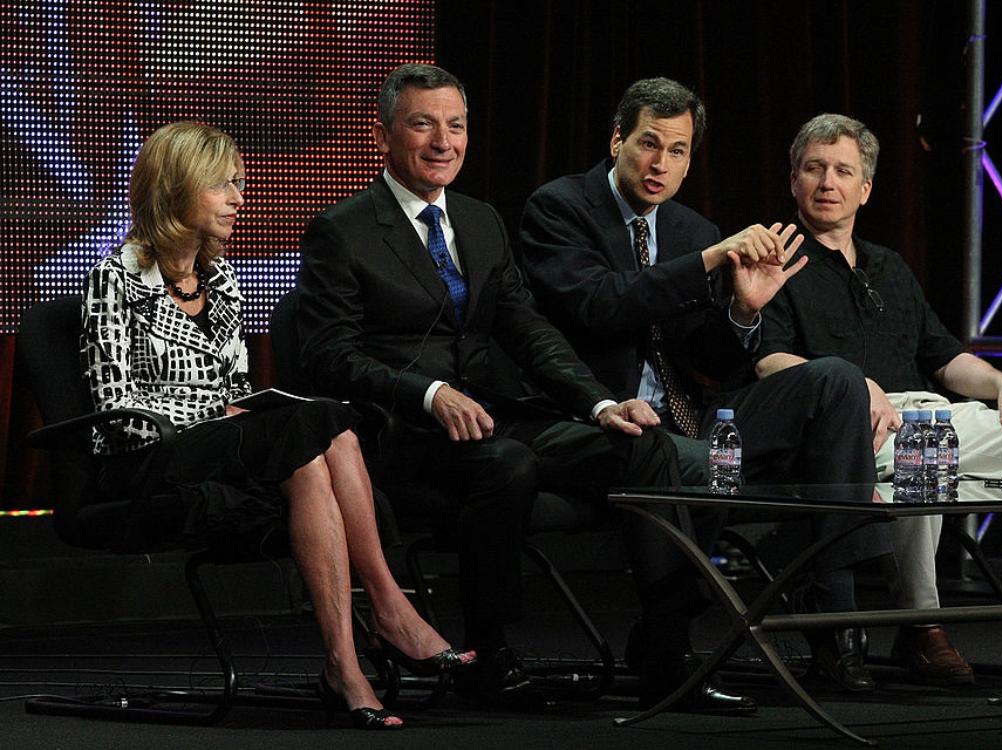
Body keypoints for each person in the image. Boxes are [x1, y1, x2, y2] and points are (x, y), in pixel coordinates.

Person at [294, 64, 718, 711]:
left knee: (643, 441)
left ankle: (666, 652)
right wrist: (429, 393)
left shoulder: (481, 220)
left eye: (456, 126)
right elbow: (328, 357)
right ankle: (489, 650)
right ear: (381, 136)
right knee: (507, 463)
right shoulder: (343, 229)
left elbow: (530, 332)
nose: (444, 141)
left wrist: (600, 403)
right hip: (404, 434)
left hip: (494, 416)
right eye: (423, 124)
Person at [81, 122, 476, 731]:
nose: (242, 196)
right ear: (177, 189)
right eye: (224, 185)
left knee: (317, 443)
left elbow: (236, 386)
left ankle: (344, 665)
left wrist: (243, 411)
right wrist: (220, 416)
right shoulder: (116, 278)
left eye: (239, 182)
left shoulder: (223, 279)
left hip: (231, 447)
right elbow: (117, 414)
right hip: (150, 459)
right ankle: (391, 608)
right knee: (319, 422)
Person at [519, 78, 891, 693]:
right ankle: (681, 638)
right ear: (617, 141)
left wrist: (744, 312)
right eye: (648, 144)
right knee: (708, 460)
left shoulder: (691, 228)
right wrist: (712, 262)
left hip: (695, 415)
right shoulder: (561, 208)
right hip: (600, 416)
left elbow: (710, 363)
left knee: (835, 381)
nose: (660, 164)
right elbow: (602, 305)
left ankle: (836, 615)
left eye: (679, 151)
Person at [757, 112, 1002, 689]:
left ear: (865, 190)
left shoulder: (888, 265)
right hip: (850, 426)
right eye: (813, 169)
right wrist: (842, 381)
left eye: (843, 171)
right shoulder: (773, 259)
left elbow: (943, 355)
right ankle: (921, 625)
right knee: (923, 455)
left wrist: (1000, 384)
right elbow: (766, 360)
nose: (827, 183)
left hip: (929, 410)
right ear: (793, 179)